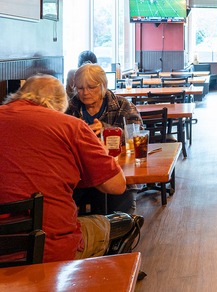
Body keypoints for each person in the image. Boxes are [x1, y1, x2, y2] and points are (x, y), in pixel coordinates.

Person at [0, 74, 127, 262]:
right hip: (48, 249)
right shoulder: (70, 126)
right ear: (60, 104)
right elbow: (116, 185)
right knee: (123, 222)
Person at [66, 63, 142, 214]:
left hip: (117, 174)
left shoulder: (122, 105)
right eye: (80, 88)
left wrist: (107, 130)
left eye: (91, 87)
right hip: (80, 177)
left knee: (123, 216)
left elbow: (137, 137)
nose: (85, 92)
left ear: (103, 85)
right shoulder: (69, 108)